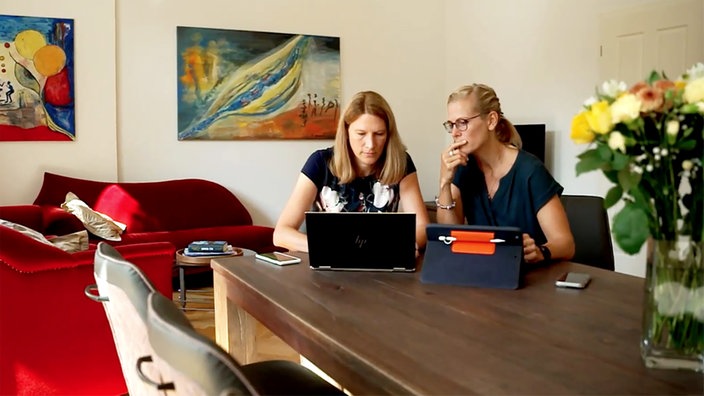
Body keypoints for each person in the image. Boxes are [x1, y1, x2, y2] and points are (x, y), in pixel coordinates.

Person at [274, 90, 429, 253]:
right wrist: (337, 248)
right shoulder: (320, 162)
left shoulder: (400, 162)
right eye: (361, 134)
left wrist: (400, 245)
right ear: (346, 132)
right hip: (329, 261)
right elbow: (281, 234)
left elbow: (421, 227)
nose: (370, 144)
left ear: (389, 134)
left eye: (379, 134)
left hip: (380, 262)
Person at [435, 83, 574, 264]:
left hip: (532, 277)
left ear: (491, 120)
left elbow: (566, 244)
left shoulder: (530, 170)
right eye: (451, 125)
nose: (454, 133)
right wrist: (444, 183)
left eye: (462, 123)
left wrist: (540, 251)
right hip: (486, 273)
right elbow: (448, 237)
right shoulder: (463, 168)